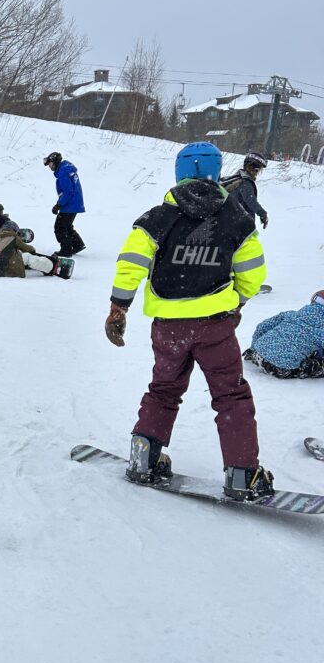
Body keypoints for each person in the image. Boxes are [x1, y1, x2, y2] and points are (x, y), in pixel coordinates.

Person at [104, 141, 274, 501]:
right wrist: (237, 301)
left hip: (168, 326)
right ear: (216, 173)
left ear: (178, 173)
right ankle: (243, 473)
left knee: (164, 389)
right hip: (215, 324)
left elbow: (131, 262)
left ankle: (143, 457)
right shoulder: (236, 219)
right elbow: (253, 272)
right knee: (230, 394)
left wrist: (119, 307)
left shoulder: (157, 218)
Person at [243, 291, 324, 378]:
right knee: (317, 364)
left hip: (258, 354)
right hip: (280, 367)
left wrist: (252, 349)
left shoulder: (292, 315)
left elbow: (262, 326)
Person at [0, 221, 73, 279]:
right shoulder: (12, 236)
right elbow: (27, 249)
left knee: (16, 255)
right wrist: (32, 250)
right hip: (3, 269)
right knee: (27, 257)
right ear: (13, 230)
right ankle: (53, 267)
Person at [44, 150, 86, 256]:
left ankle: (66, 251)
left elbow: (67, 191)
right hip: (74, 203)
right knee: (67, 226)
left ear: (56, 162)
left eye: (50, 164)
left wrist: (59, 204)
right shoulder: (66, 169)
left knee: (60, 227)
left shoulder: (63, 172)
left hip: (70, 204)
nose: (49, 167)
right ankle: (77, 245)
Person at [220, 149, 269, 228]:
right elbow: (251, 201)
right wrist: (263, 214)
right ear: (254, 168)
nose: (257, 173)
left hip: (228, 221)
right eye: (258, 170)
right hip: (239, 224)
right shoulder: (245, 182)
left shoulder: (234, 178)